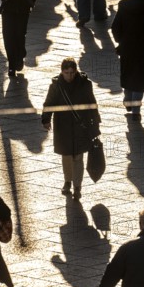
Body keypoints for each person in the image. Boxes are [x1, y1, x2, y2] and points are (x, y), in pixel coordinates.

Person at [41, 57, 101, 201]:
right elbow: (49, 102)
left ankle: (77, 187)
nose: (70, 76)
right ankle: (68, 181)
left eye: (72, 72)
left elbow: (92, 103)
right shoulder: (56, 85)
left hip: (81, 126)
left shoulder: (85, 84)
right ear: (62, 72)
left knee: (78, 157)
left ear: (76, 71)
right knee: (66, 156)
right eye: (66, 73)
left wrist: (95, 123)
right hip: (63, 127)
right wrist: (46, 119)